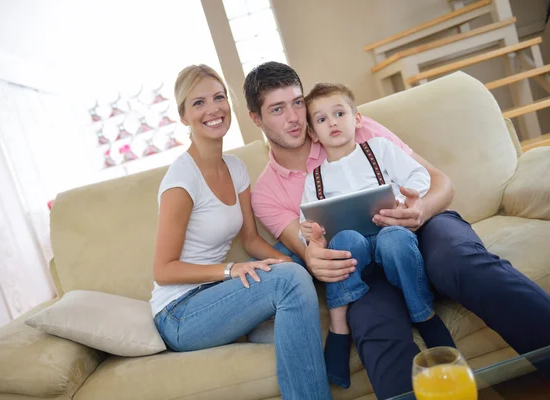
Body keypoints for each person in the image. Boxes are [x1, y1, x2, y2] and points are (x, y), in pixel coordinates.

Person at [244, 61, 550, 399]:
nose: (294, 117)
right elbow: (309, 253)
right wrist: (315, 253)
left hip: (426, 228)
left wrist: (420, 210)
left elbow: (439, 182)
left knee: (460, 261)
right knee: (375, 328)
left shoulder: (354, 126)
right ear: (256, 119)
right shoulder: (266, 192)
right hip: (363, 264)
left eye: (298, 103)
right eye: (277, 109)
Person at [149, 64, 332, 400]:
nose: (213, 109)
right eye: (198, 102)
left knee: (293, 261)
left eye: (219, 98)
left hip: (218, 295)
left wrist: (302, 262)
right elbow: (163, 271)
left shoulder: (235, 167)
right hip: (180, 313)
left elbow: (250, 240)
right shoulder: (181, 179)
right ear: (183, 116)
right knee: (288, 279)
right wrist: (232, 270)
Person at [298, 83, 455, 388]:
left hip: (390, 236)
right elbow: (309, 227)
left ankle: (423, 314)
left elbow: (419, 177)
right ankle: (340, 329)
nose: (332, 122)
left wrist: (405, 198)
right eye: (321, 119)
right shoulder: (313, 179)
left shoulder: (379, 149)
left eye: (339, 113)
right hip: (357, 258)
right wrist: (311, 234)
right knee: (345, 241)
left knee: (394, 238)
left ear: (357, 119)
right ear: (313, 134)